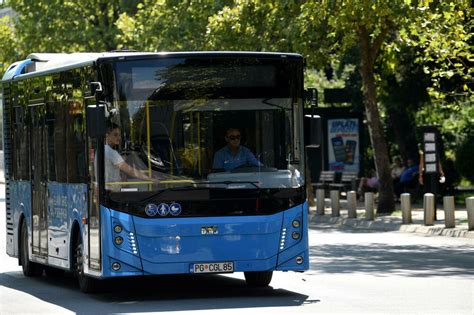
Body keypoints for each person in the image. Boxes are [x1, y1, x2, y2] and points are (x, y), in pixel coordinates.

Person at [104, 124, 157, 190]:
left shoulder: (102, 150)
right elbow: (130, 170)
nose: (119, 138)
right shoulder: (111, 152)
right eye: (115, 135)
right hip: (111, 191)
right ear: (107, 136)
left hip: (107, 190)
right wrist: (150, 179)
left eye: (119, 135)